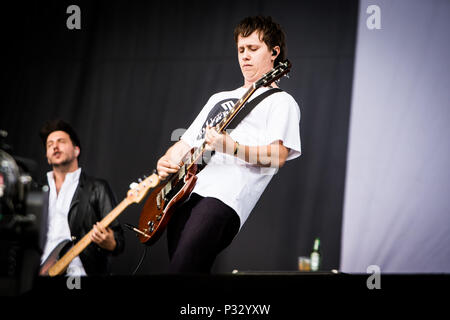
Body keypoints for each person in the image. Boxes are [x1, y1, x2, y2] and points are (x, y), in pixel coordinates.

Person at [157, 16, 301, 273]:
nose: (245, 56)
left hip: (224, 199)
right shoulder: (220, 97)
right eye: (241, 50)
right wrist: (167, 161)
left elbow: (277, 157)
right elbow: (185, 142)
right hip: (185, 194)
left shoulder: (282, 102)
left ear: (274, 52)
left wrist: (231, 147)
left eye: (253, 49)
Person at [39, 119, 124, 276]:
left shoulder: (97, 188)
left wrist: (109, 242)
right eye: (49, 145)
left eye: (61, 142)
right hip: (38, 276)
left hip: (78, 275)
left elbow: (118, 242)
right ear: (47, 156)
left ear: (76, 150)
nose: (55, 147)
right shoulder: (38, 191)